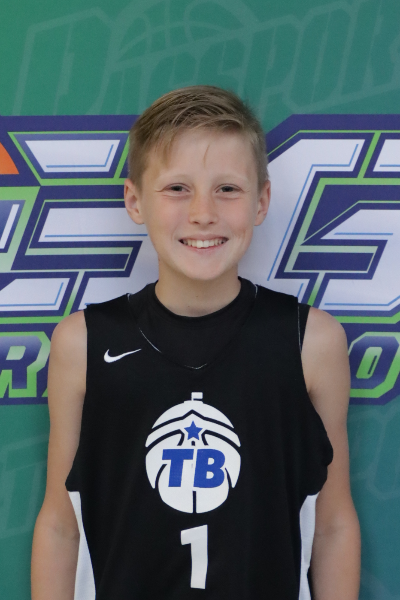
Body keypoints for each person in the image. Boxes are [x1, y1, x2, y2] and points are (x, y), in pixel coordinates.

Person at [31, 85, 360, 600]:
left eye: (227, 188)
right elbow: (60, 524)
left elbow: (333, 523)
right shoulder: (83, 343)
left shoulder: (311, 342)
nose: (203, 213)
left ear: (261, 201)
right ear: (135, 200)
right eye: (177, 188)